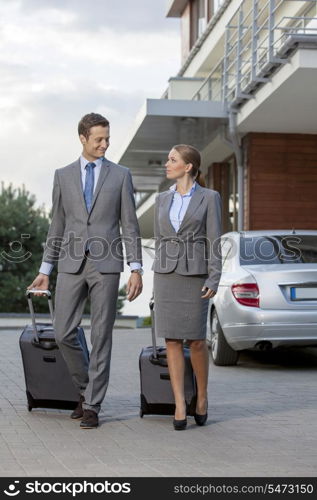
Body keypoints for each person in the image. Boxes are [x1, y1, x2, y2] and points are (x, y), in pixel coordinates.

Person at [27, 113, 143, 429]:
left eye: (107, 138)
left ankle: (92, 404)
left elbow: (130, 224)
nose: (105, 144)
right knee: (64, 331)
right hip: (70, 262)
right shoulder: (62, 175)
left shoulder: (120, 175)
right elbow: (58, 224)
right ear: (82, 138)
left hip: (106, 264)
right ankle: (84, 388)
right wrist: (45, 269)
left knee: (101, 334)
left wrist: (135, 267)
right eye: (98, 139)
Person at [152, 144, 222, 430]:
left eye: (172, 160)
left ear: (188, 166)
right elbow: (159, 240)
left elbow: (215, 238)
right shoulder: (160, 199)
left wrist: (214, 277)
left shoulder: (209, 197)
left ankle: (202, 396)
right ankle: (180, 403)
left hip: (195, 275)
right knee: (170, 339)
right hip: (166, 275)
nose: (167, 164)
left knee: (195, 340)